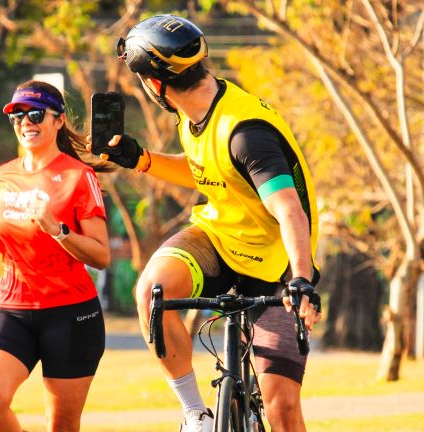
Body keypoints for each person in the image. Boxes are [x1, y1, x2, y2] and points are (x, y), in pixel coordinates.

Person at [93, 15, 322, 432]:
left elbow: (289, 207)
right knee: (152, 292)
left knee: (283, 410)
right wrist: (142, 159)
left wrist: (302, 279)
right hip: (218, 236)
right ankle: (196, 413)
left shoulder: (245, 132)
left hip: (277, 261)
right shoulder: (194, 110)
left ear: (156, 83)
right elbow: (206, 170)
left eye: (142, 78)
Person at [0, 80, 110, 432]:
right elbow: (15, 235)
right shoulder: (4, 174)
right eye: (17, 115)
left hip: (70, 315)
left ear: (58, 120)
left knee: (61, 426)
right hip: (12, 308)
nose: (25, 121)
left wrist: (58, 230)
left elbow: (101, 255)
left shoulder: (79, 177)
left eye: (35, 113)